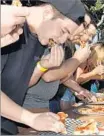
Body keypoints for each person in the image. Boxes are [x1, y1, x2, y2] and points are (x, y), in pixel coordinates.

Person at [1, 0, 90, 134]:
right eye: (63, 31)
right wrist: (31, 118)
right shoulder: (8, 26)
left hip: (8, 124)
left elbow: (19, 84)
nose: (62, 40)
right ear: (48, 12)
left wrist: (42, 66)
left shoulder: (40, 40)